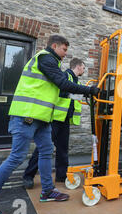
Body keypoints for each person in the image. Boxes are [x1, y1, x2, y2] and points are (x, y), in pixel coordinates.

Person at [0, 35, 100, 214]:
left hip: (41, 119)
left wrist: (84, 91)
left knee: (47, 151)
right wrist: (89, 90)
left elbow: (61, 89)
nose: (66, 54)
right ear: (54, 46)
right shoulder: (45, 58)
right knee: (17, 157)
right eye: (64, 49)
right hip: (26, 116)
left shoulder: (53, 63)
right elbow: (62, 83)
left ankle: (47, 191)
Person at [23, 58, 86, 189]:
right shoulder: (65, 76)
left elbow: (72, 97)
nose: (84, 70)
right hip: (55, 120)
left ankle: (61, 176)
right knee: (42, 148)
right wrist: (80, 91)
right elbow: (61, 92)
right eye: (83, 67)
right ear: (78, 67)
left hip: (64, 120)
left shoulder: (75, 80)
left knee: (63, 149)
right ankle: (28, 176)